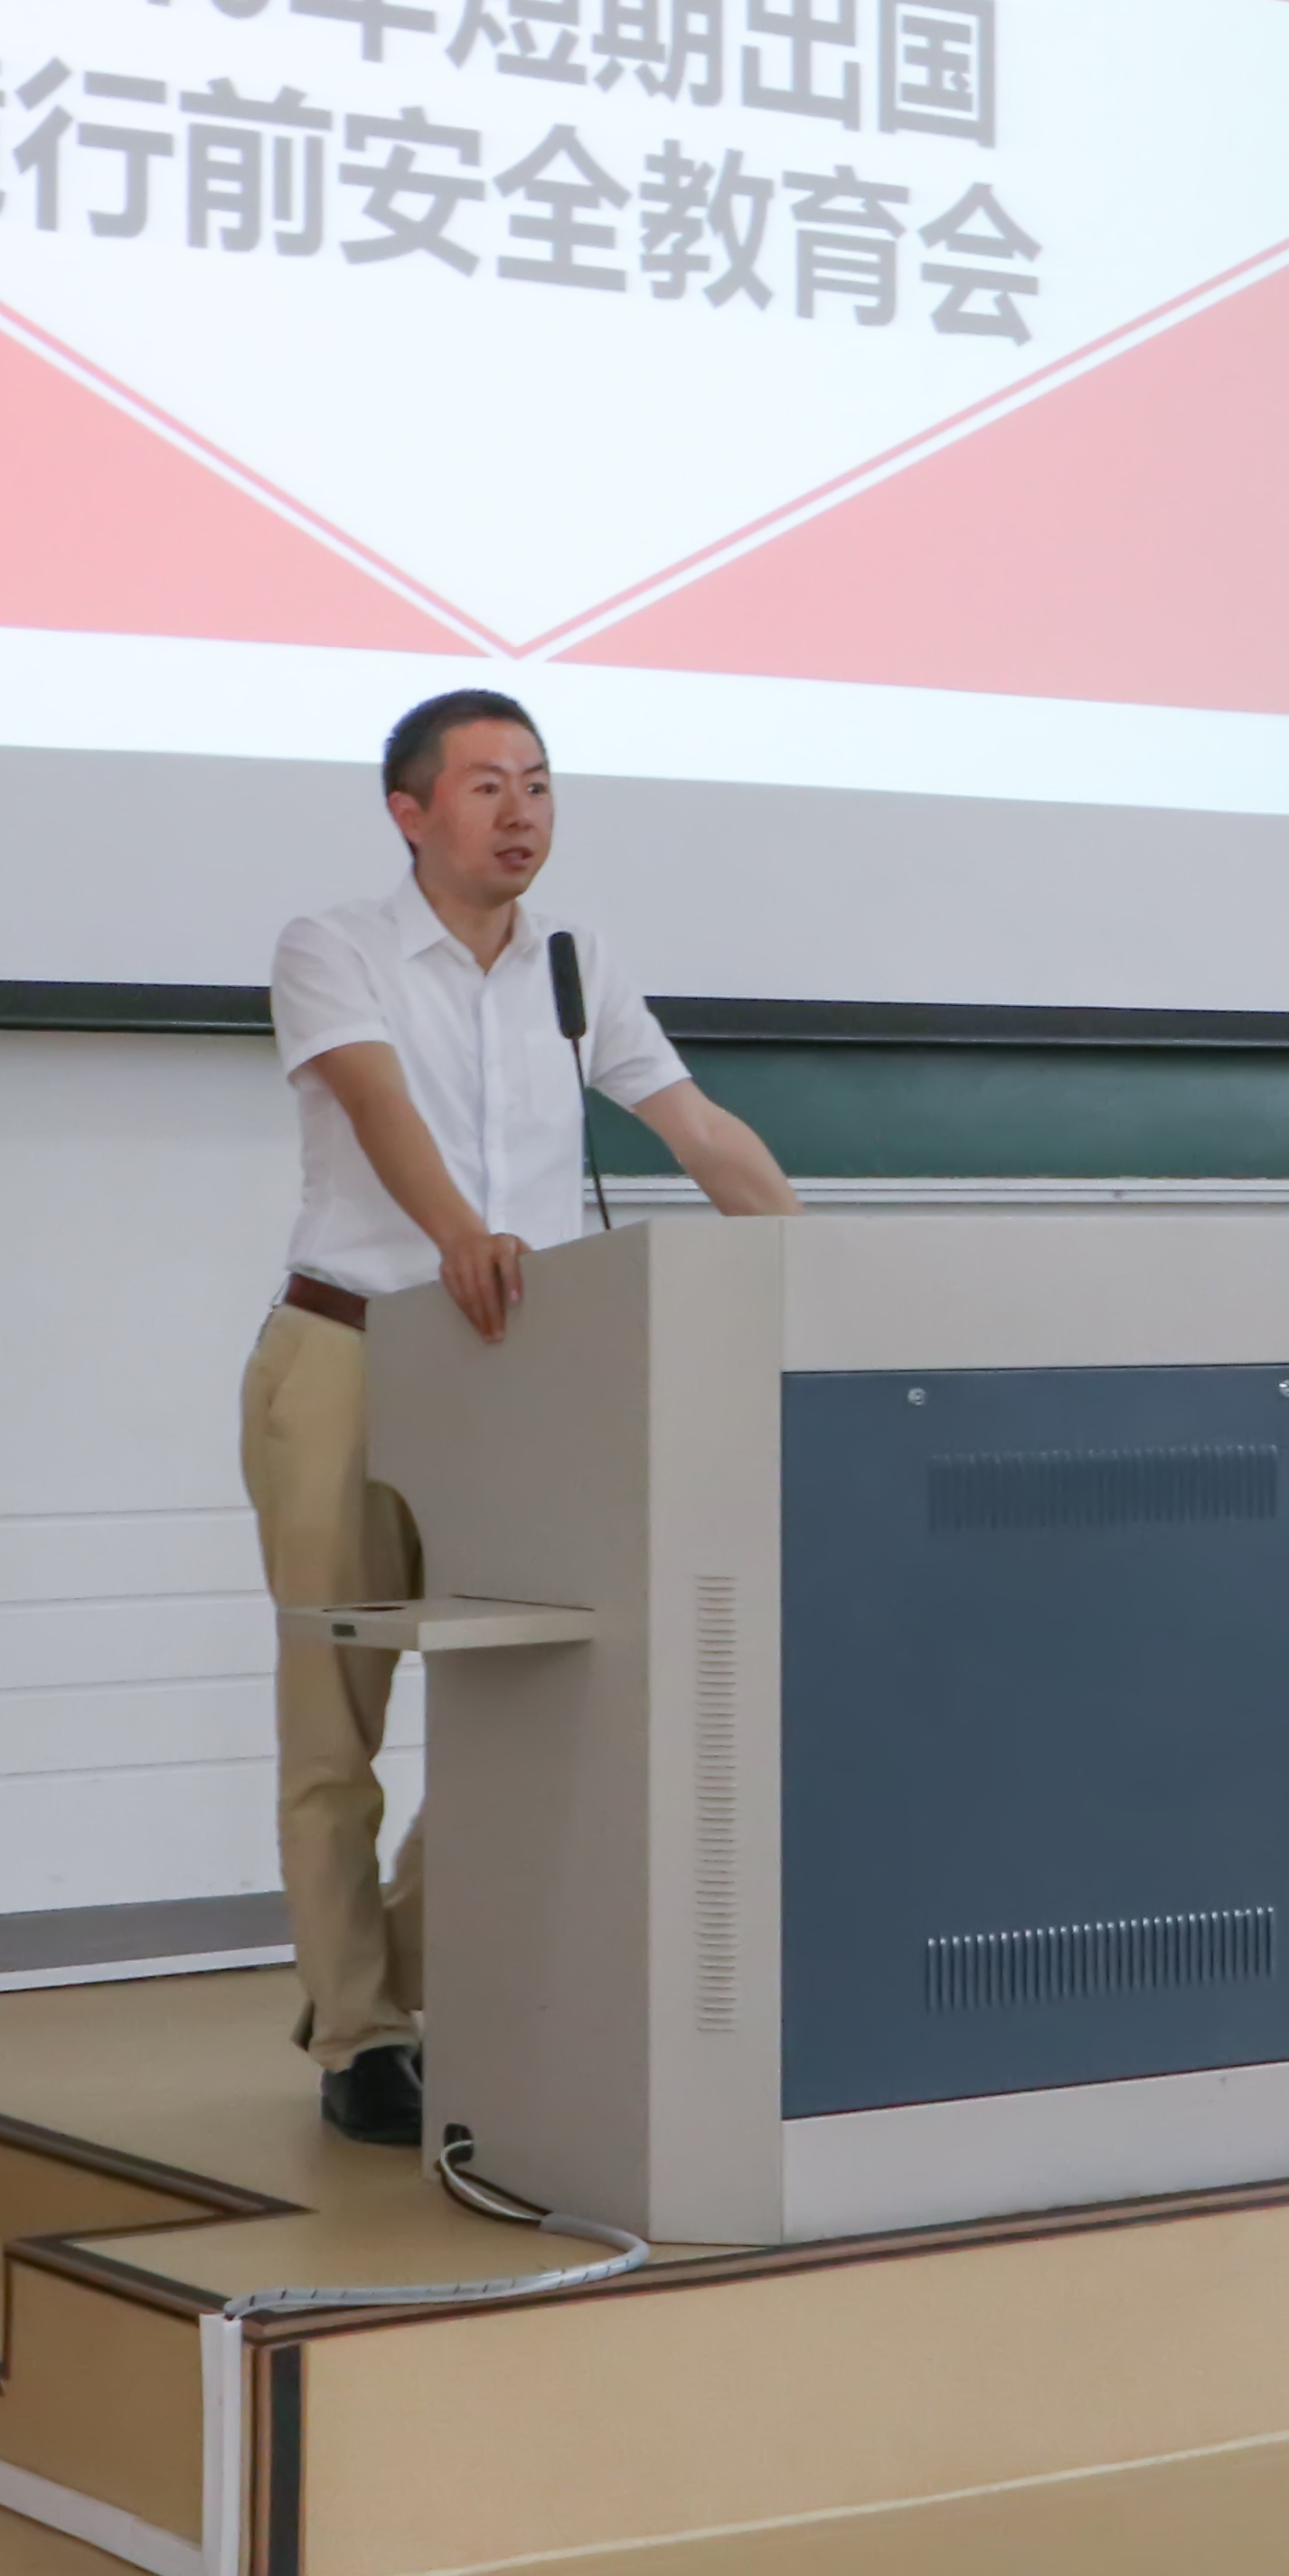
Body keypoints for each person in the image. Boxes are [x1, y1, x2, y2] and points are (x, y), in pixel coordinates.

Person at [249, 689, 798, 2148]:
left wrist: (812, 1259)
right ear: (409, 810)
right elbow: (379, 1110)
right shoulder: (333, 947)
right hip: (350, 1352)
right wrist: (461, 1236)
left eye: (540, 785)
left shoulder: (575, 963)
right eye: (487, 784)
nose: (521, 812)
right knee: (335, 1720)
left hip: (518, 1375)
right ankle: (359, 2036)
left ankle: (395, 1979)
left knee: (541, 1708)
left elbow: (692, 1124)